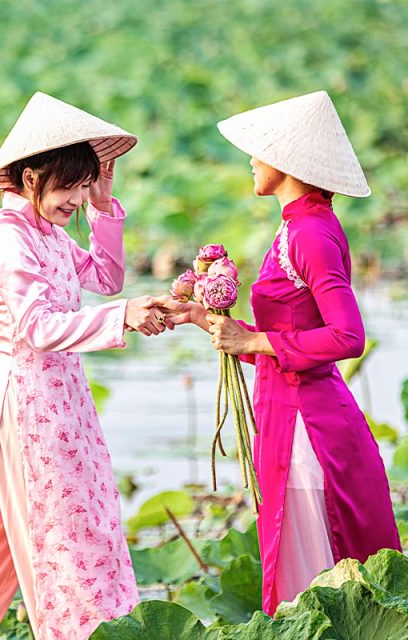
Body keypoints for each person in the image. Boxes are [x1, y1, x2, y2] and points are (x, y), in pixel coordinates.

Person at [0, 92, 167, 640]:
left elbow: (106, 278)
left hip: (66, 400)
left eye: (82, 182)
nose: (75, 196)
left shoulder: (48, 233)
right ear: (30, 177)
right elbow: (38, 328)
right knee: (60, 535)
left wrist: (102, 205)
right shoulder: (9, 240)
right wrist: (122, 318)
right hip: (27, 406)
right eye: (69, 185)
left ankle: (103, 626)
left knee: (86, 522)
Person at [159, 91, 401, 615]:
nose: (251, 159)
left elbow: (347, 337)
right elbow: (287, 336)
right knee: (298, 586)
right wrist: (207, 320)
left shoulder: (310, 232)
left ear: (288, 162)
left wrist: (253, 340)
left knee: (318, 589)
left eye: (259, 149)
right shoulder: (294, 223)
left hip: (309, 432)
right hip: (284, 414)